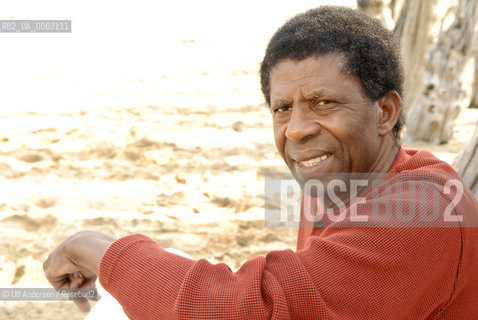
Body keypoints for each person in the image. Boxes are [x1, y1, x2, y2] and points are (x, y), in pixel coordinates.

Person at [43, 6, 478, 319]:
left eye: (323, 103)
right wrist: (120, 293)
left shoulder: (429, 212)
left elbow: (243, 309)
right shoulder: (337, 181)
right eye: (282, 108)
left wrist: (95, 251)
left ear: (385, 113)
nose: (295, 130)